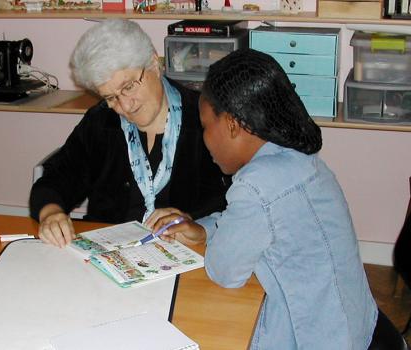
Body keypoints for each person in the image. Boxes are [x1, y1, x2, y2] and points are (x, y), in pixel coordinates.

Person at [154, 48, 379, 349]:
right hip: (355, 324)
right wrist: (203, 229)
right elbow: (263, 222)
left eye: (206, 126)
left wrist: (213, 238)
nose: (204, 138)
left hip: (318, 337)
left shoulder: (256, 184)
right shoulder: (297, 156)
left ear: (232, 124)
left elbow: (225, 272)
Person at [29, 19, 229, 248]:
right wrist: (51, 212)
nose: (125, 105)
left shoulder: (204, 120)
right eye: (110, 97)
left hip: (186, 255)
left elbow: (233, 202)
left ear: (154, 63)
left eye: (129, 86)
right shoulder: (102, 121)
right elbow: (57, 177)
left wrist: (201, 228)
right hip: (109, 255)